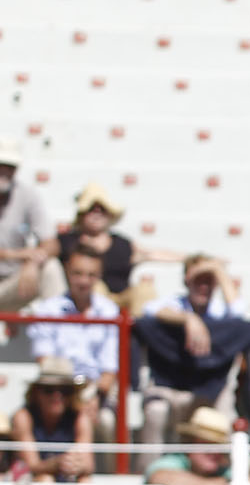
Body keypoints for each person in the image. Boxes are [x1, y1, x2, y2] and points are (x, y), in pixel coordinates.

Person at [136, 255, 250, 456]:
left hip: (213, 389)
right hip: (170, 387)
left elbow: (241, 314)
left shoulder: (221, 310)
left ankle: (225, 474)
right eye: (198, 280)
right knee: (155, 412)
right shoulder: (173, 303)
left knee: (227, 419)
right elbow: (149, 311)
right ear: (186, 280)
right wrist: (188, 318)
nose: (203, 286)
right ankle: (148, 474)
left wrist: (218, 271)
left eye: (209, 280)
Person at [20, 183, 180, 315]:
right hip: (85, 301)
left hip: (121, 299)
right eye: (91, 209)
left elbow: (152, 254)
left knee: (145, 291)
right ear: (82, 214)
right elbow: (43, 252)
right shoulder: (66, 241)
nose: (97, 214)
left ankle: (136, 344)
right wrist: (31, 265)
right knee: (95, 287)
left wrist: (189, 259)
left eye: (102, 209)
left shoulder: (123, 244)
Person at [26, 245, 120, 443]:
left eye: (90, 274)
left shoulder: (109, 311)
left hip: (96, 391)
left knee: (105, 421)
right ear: (67, 271)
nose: (84, 281)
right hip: (57, 389)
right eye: (78, 273)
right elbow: (45, 361)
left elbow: (109, 369)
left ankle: (94, 471)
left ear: (99, 276)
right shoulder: (47, 310)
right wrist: (72, 396)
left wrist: (92, 396)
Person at [145, 406, 250, 485]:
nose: (214, 452)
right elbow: (159, 476)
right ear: (189, 443)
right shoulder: (175, 461)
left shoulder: (223, 470)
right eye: (207, 445)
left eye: (218, 446)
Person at [7, 358, 95, 483]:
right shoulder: (23, 417)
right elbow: (31, 465)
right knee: (45, 480)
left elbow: (88, 464)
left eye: (64, 391)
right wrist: (56, 464)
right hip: (28, 482)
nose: (57, 396)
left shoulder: (80, 418)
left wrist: (77, 465)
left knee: (85, 481)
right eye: (49, 390)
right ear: (36, 392)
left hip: (67, 478)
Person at [0, 135, 61, 312]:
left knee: (50, 268)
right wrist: (20, 256)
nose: (4, 171)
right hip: (13, 277)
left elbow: (51, 243)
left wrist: (33, 262)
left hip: (12, 284)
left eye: (9, 166)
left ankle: (62, 333)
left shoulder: (27, 195)